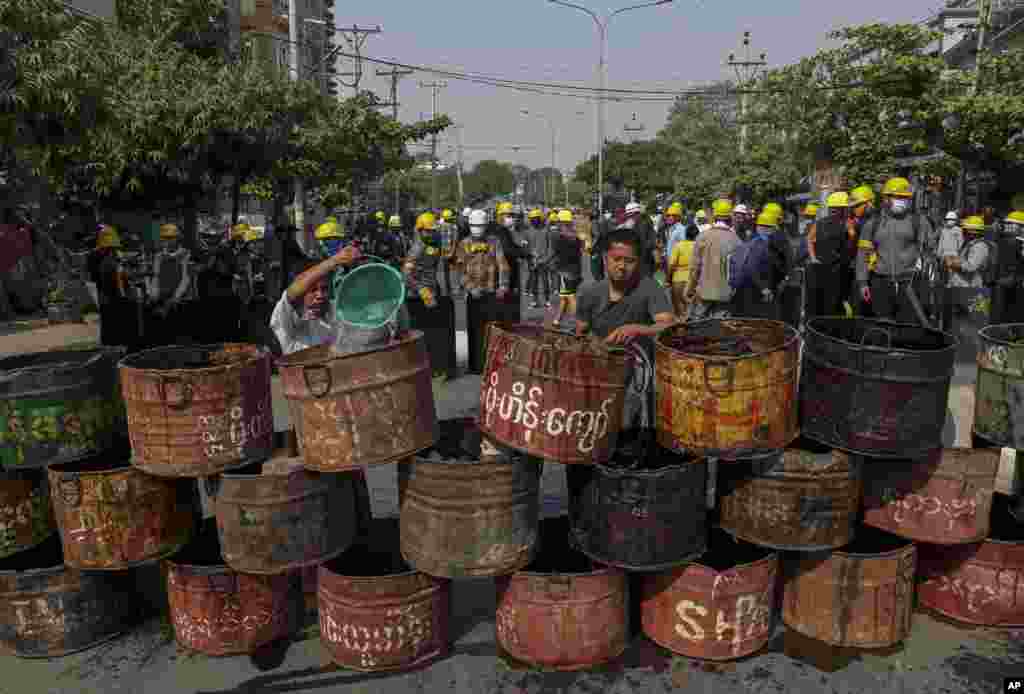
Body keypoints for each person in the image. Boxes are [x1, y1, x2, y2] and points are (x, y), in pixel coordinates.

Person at [575, 227, 676, 432]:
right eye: (616, 259)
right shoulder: (590, 293)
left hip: (636, 376)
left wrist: (637, 329)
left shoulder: (649, 288)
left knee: (630, 428)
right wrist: (595, 345)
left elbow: (668, 324)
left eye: (629, 261)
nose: (622, 266)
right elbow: (580, 332)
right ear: (605, 259)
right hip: (597, 373)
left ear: (638, 262)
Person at [857, 177, 935, 326]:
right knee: (882, 326)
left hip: (909, 284)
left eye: (904, 197)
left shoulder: (919, 222)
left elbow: (930, 251)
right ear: (886, 198)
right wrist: (862, 282)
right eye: (896, 196)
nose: (901, 200)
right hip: (880, 283)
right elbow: (862, 254)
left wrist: (925, 266)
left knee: (907, 327)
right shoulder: (873, 224)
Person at [453, 209, 511, 374]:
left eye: (480, 225)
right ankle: (475, 366)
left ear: (486, 225)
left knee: (491, 329)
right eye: (474, 225)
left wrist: (503, 285)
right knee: (473, 329)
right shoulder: (464, 244)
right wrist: (470, 287)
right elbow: (459, 270)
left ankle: (491, 363)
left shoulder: (494, 242)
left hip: (491, 291)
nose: (477, 228)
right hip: (473, 294)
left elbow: (502, 264)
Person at [403, 212, 456, 381]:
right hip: (418, 299)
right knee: (424, 334)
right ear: (420, 231)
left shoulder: (434, 243)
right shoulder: (417, 248)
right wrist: (421, 290)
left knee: (436, 334)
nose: (432, 233)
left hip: (433, 293)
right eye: (428, 231)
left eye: (433, 231)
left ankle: (437, 367)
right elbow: (405, 274)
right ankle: (427, 369)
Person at [945, 215, 994, 360]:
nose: (963, 231)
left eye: (965, 229)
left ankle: (972, 358)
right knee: (959, 326)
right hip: (962, 288)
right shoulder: (970, 244)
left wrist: (953, 263)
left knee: (972, 327)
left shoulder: (980, 246)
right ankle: (961, 356)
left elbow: (971, 266)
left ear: (972, 231)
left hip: (972, 290)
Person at [686, 199, 741, 320]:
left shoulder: (703, 237)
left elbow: (695, 267)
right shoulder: (736, 241)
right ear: (730, 218)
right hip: (725, 295)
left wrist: (689, 289)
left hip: (703, 292)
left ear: (714, 216)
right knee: (721, 330)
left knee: (696, 328)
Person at [730, 211, 790, 320]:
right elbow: (751, 267)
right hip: (757, 292)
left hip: (745, 291)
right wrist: (764, 288)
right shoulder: (761, 245)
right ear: (771, 228)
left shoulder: (750, 242)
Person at [806, 192, 854, 319]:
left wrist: (813, 258)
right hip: (833, 270)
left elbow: (810, 239)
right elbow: (852, 242)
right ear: (842, 209)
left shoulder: (821, 223)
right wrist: (813, 257)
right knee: (830, 305)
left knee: (822, 304)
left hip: (827, 269)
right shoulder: (846, 223)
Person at [89, 225, 135, 348]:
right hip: (113, 294)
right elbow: (120, 280)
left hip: (105, 294)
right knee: (115, 317)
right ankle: (117, 343)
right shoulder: (110, 260)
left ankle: (110, 343)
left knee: (109, 318)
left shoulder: (98, 257)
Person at [194, 224, 240, 344]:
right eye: (208, 237)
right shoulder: (201, 252)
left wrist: (215, 260)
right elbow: (194, 270)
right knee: (208, 335)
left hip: (224, 298)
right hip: (206, 299)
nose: (211, 240)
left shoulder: (226, 251)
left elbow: (230, 270)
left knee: (225, 334)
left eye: (214, 237)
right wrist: (207, 264)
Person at [148, 223, 192, 346]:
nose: (168, 241)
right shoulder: (159, 256)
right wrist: (153, 295)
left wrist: (175, 298)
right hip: (162, 298)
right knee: (162, 335)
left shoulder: (185, 255)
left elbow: (185, 279)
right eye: (165, 238)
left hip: (180, 301)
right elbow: (156, 277)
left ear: (177, 239)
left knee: (178, 335)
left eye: (171, 238)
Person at [551, 209, 583, 328]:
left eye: (558, 222)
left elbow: (556, 254)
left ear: (562, 222)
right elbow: (579, 253)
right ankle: (557, 320)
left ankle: (579, 323)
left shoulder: (560, 238)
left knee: (570, 297)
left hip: (565, 272)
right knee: (565, 296)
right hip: (576, 271)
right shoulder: (576, 237)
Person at [991, 210, 1024, 324]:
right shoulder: (1004, 241)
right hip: (1002, 284)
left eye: (1011, 223)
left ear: (1021, 227)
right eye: (1007, 223)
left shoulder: (1017, 243)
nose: (1007, 226)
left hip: (1014, 286)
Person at [667, 221, 697, 318]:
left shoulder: (679, 245)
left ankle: (681, 329)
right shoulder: (699, 246)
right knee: (691, 308)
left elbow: (671, 264)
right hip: (694, 279)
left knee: (679, 309)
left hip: (678, 279)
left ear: (686, 234)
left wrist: (668, 279)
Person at [525, 208, 553, 309]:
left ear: (540, 218)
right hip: (533, 261)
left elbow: (550, 246)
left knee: (545, 281)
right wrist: (530, 257)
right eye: (532, 219)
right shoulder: (528, 231)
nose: (534, 220)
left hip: (544, 261)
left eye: (536, 218)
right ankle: (534, 301)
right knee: (534, 282)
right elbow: (526, 247)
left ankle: (547, 301)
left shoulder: (546, 230)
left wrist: (547, 258)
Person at [663, 202, 687, 276]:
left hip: (677, 266)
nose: (670, 217)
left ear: (678, 217)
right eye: (668, 215)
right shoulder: (670, 229)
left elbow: (684, 248)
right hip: (669, 263)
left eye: (673, 215)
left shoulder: (681, 230)